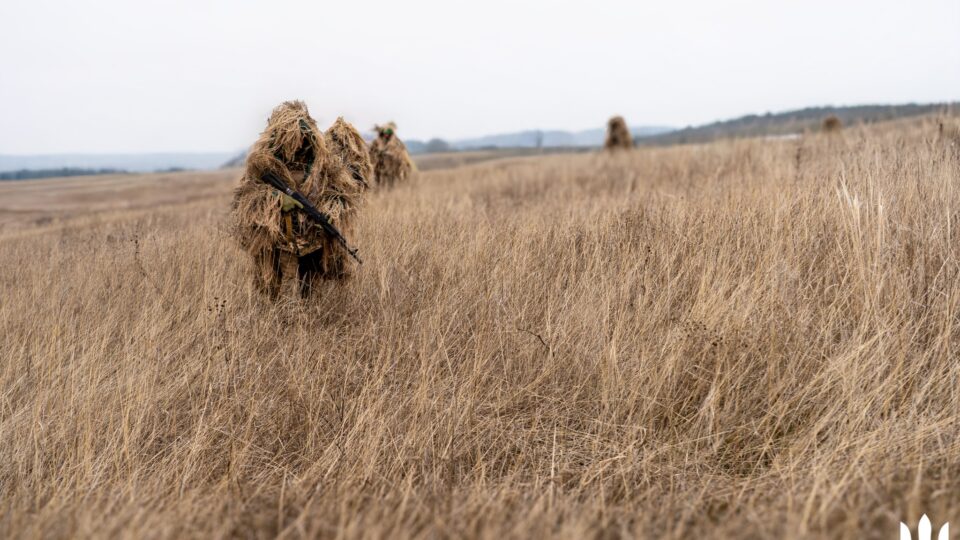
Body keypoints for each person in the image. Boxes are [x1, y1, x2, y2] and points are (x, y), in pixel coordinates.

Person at [231, 101, 367, 298]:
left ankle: (308, 319)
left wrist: (332, 209)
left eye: (303, 137)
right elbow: (249, 195)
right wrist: (278, 199)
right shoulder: (264, 165)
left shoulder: (321, 163)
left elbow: (337, 190)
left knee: (310, 283)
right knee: (283, 283)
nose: (299, 143)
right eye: (293, 138)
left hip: (313, 234)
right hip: (281, 236)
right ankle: (283, 320)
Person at [369, 122, 415, 188]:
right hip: (379, 164)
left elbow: (401, 152)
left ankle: (390, 189)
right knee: (378, 177)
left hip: (391, 164)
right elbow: (371, 151)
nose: (386, 135)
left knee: (391, 178)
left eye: (388, 133)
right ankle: (379, 189)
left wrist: (391, 153)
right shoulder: (376, 142)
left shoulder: (396, 142)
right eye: (385, 133)